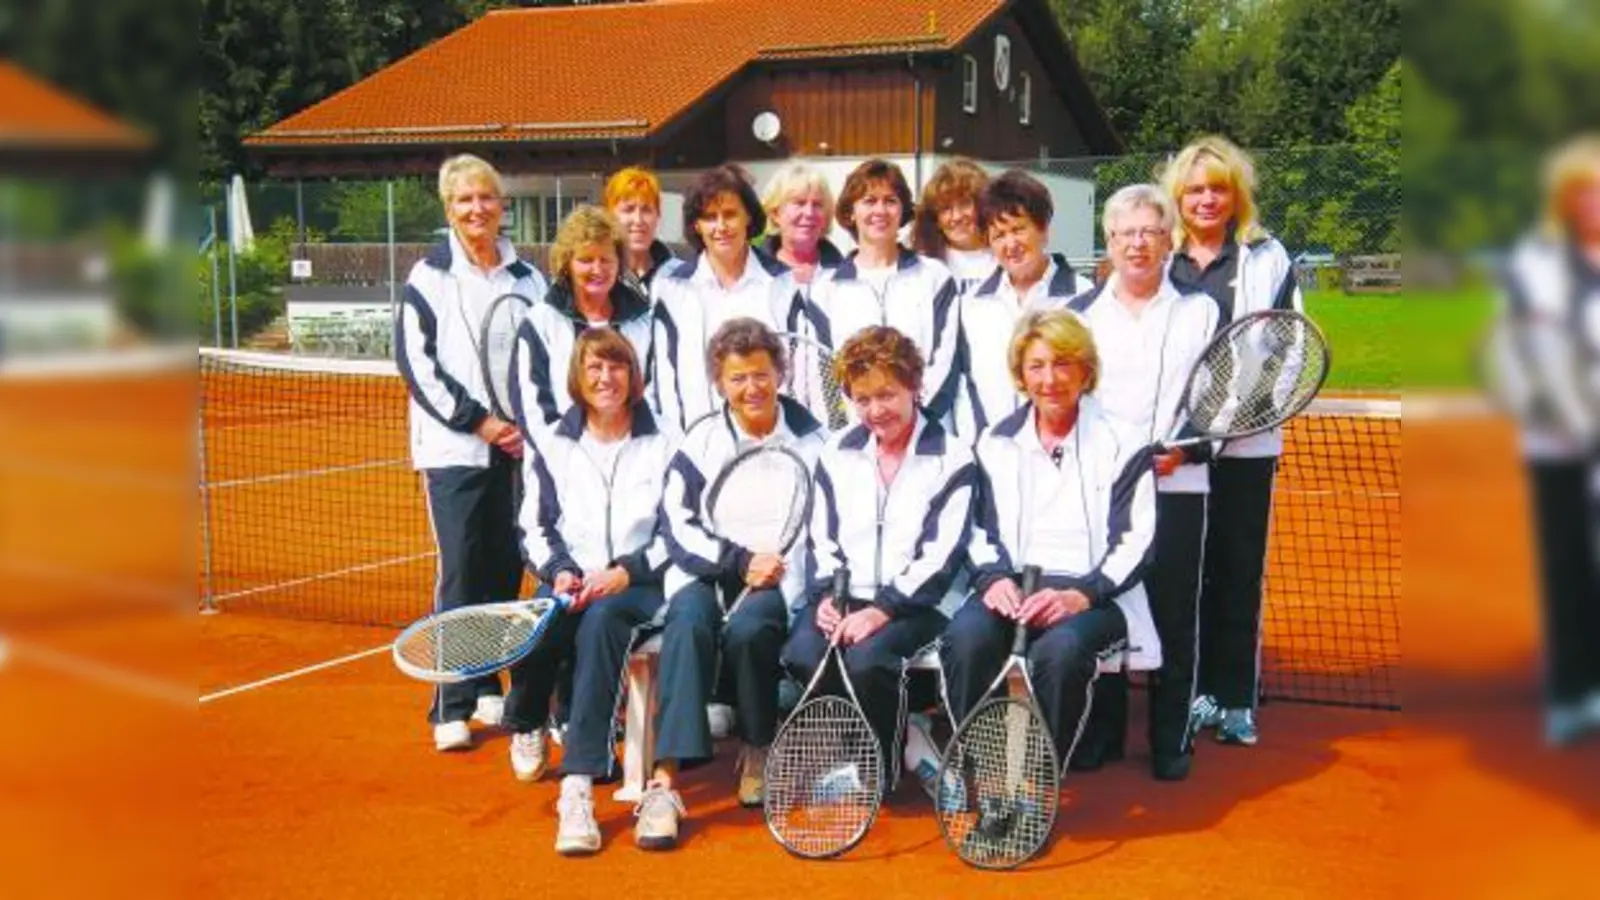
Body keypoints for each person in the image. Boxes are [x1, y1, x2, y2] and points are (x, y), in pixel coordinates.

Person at [940, 310, 1160, 773]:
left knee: (1059, 653)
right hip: (1013, 587)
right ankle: (983, 766)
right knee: (966, 638)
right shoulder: (994, 442)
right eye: (1036, 366)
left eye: (1062, 363)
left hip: (1095, 596)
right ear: (1021, 375)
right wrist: (992, 579)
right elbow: (977, 527)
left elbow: (1137, 540)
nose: (1050, 379)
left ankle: (1040, 778)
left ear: (1085, 369)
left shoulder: (1126, 441)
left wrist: (1083, 594)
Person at [640, 318, 827, 849]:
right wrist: (737, 561)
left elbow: (825, 522)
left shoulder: (815, 439)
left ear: (780, 374)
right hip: (710, 572)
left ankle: (758, 745)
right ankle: (664, 780)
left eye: (761, 375)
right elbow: (677, 524)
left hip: (778, 581)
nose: (752, 388)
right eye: (738, 378)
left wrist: (782, 574)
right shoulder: (700, 439)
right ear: (720, 382)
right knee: (688, 627)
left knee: (751, 632)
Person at [395, 153, 549, 752]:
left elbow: (541, 355)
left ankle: (488, 683)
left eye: (486, 197)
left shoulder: (528, 279)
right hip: (454, 451)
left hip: (518, 450)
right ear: (448, 208)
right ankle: (450, 704)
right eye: (465, 200)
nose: (477, 209)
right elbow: (418, 367)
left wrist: (522, 426)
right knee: (462, 568)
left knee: (508, 567)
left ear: (501, 204)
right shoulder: (426, 278)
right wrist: (480, 422)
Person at [1065, 184, 1219, 780]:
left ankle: (1170, 739)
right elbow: (1071, 400)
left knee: (1176, 614)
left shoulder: (1199, 309)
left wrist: (1185, 451)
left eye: (1150, 232)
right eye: (1125, 233)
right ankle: (1100, 734)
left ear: (1169, 241)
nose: (1137, 244)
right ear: (1108, 242)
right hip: (1106, 495)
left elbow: (1218, 397)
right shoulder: (1079, 316)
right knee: (1105, 609)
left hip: (1179, 488)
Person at [780, 326, 973, 797]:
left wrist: (882, 609)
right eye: (862, 399)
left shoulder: (953, 456)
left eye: (887, 394)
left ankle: (878, 770)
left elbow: (941, 556)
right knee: (805, 653)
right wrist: (830, 598)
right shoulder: (836, 451)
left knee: (868, 661)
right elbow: (821, 535)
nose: (875, 411)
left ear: (914, 386)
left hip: (921, 603)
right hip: (850, 593)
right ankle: (903, 738)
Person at [506, 328, 676, 855]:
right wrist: (560, 570)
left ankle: (577, 784)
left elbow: (682, 530)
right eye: (595, 368)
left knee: (603, 623)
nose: (606, 378)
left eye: (617, 366)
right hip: (574, 580)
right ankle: (527, 717)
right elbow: (535, 524)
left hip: (644, 585)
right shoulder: (554, 443)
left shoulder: (667, 439)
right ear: (579, 379)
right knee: (537, 622)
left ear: (633, 374)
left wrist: (627, 570)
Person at [1161, 135, 1304, 748]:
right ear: (1177, 198)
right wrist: (1182, 441)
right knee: (1181, 575)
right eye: (1194, 189)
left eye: (1218, 188)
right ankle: (1189, 694)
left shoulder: (1267, 257)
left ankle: (1236, 699)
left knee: (1237, 572)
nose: (1206, 199)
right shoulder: (1160, 259)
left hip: (1246, 447)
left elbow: (1289, 349)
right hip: (1173, 451)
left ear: (1236, 195)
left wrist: (1231, 427)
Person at [1494, 134, 1600, 744]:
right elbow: (1517, 351)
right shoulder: (1537, 260)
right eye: (1582, 190)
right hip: (1556, 447)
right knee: (1565, 568)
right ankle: (1570, 694)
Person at [804, 159, 962, 425]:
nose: (880, 210)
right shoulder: (825, 289)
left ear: (902, 211)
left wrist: (914, 423)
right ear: (851, 212)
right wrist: (853, 431)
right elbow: (825, 378)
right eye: (869, 200)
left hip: (924, 432)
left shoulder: (935, 277)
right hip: (857, 437)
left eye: (890, 200)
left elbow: (945, 362)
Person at [650, 164, 802, 431]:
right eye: (710, 217)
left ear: (749, 218)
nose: (720, 226)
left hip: (772, 443)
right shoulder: (671, 290)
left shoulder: (783, 284)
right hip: (696, 446)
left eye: (730, 214)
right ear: (696, 225)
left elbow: (799, 373)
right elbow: (662, 378)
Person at [955, 169, 1094, 438]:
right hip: (994, 454)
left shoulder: (1084, 298)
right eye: (999, 235)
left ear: (1043, 230)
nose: (1011, 244)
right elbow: (965, 388)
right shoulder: (971, 306)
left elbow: (1093, 381)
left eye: (1019, 229)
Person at [512, 205, 653, 427]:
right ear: (567, 264)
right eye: (586, 260)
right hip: (558, 458)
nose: (597, 269)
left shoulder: (644, 323)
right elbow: (533, 410)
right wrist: (571, 455)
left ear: (619, 264)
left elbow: (653, 397)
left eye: (605, 260)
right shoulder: (540, 323)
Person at [912, 156, 997, 296]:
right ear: (935, 218)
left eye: (965, 204)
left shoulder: (1006, 257)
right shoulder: (921, 266)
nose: (956, 216)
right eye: (945, 209)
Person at [760, 160, 845, 290]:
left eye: (817, 204)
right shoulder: (755, 274)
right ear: (776, 213)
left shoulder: (844, 275)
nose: (809, 213)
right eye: (799, 203)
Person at [605, 166, 681, 294]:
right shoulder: (599, 278)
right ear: (610, 216)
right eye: (628, 209)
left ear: (658, 215)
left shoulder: (681, 277)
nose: (638, 220)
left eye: (646, 210)